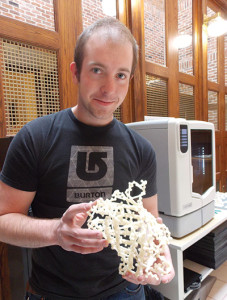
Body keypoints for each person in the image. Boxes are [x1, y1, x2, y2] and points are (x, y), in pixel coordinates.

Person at [0, 17, 174, 300]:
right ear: (76, 72)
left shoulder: (142, 149)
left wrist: (156, 249)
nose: (109, 89)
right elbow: (3, 219)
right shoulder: (35, 137)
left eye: (120, 75)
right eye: (97, 70)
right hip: (52, 293)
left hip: (125, 290)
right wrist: (57, 231)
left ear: (130, 80)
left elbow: (149, 219)